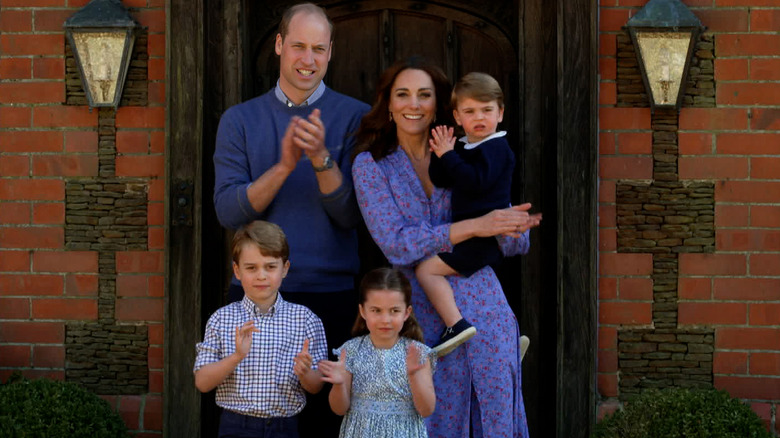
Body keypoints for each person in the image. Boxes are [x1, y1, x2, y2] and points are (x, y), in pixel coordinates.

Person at [351, 57, 540, 438]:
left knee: (494, 413)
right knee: (431, 420)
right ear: (388, 104)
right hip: (420, 312)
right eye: (403, 95)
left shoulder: (469, 152)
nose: (414, 104)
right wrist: (475, 226)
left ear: (438, 106)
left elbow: (512, 240)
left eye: (424, 95)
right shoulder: (371, 166)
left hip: (484, 303)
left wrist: (512, 227)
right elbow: (396, 243)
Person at [212, 3, 370, 436]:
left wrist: (320, 159)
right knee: (253, 420)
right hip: (255, 298)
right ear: (279, 45)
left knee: (324, 425)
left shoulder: (357, 117)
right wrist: (282, 166)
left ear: (331, 52)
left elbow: (352, 216)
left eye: (319, 49)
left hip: (332, 296)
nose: (308, 59)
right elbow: (228, 212)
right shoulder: (240, 120)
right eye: (298, 46)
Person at [416, 72, 536, 357]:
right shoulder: (465, 146)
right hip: (470, 234)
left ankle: (454, 325)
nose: (479, 117)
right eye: (470, 111)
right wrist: (440, 152)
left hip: (483, 238)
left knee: (426, 270)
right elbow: (442, 178)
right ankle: (505, 343)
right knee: (479, 293)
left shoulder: (497, 149)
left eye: (486, 110)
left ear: (501, 113)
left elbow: (474, 181)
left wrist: (449, 155)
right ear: (457, 117)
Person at [194, 220, 328, 438]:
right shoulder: (222, 319)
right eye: (251, 267)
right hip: (236, 425)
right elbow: (202, 382)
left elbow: (316, 387)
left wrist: (305, 373)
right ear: (237, 270)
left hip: (285, 426)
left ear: (285, 269)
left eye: (270, 266)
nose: (261, 275)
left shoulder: (305, 320)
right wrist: (237, 356)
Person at [319, 268, 436, 438]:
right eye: (376, 310)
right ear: (363, 311)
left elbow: (426, 410)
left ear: (406, 313)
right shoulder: (350, 351)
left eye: (394, 311)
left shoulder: (417, 353)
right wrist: (339, 385)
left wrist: (414, 376)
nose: (385, 319)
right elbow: (339, 409)